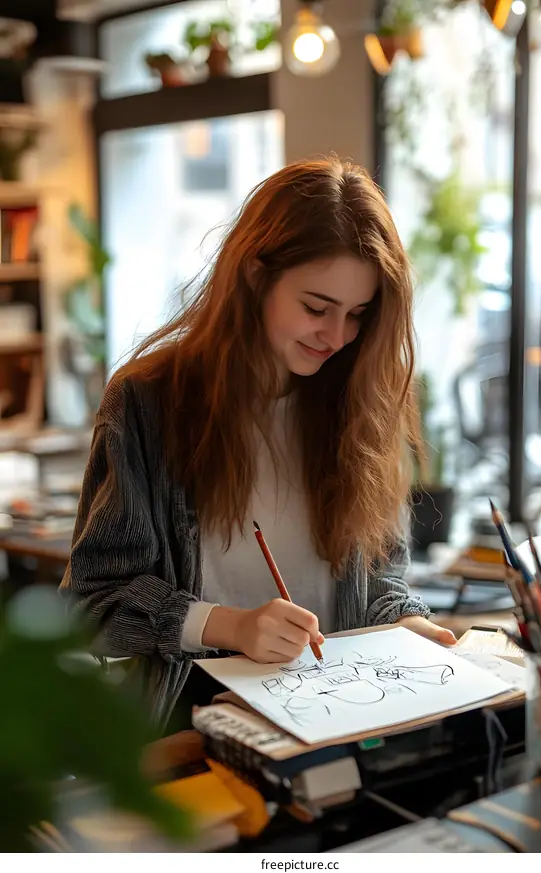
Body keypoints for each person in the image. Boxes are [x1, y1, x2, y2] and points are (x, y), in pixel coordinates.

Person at [61, 157, 456, 734]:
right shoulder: (149, 404)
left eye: (358, 315)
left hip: (341, 717)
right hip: (191, 728)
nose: (337, 336)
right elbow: (92, 604)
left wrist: (411, 625)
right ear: (253, 276)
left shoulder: (363, 404)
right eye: (316, 308)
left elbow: (380, 586)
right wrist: (231, 626)